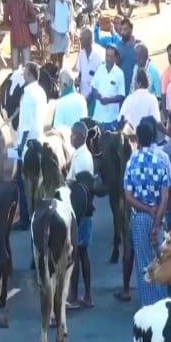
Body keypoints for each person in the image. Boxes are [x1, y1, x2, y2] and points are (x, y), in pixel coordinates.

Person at [123, 120, 171, 306]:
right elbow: (166, 196)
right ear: (153, 138)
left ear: (138, 140)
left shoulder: (132, 161)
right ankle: (163, 303)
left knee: (144, 262)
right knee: (162, 259)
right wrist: (157, 219)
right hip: (160, 215)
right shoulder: (160, 160)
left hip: (141, 217)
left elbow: (128, 196)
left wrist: (147, 209)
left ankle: (149, 306)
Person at [66, 123, 95, 310]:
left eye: (72, 135)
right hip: (81, 211)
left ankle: (76, 296)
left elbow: (81, 188)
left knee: (77, 253)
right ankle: (85, 296)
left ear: (79, 136)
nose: (70, 138)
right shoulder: (79, 154)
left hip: (81, 212)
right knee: (81, 253)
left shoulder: (83, 158)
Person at [17, 60, 48, 160]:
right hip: (39, 141)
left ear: (30, 75)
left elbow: (27, 124)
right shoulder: (42, 91)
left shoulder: (28, 94)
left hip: (27, 146)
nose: (23, 76)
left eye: (25, 73)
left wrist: (21, 147)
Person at [91, 44, 126, 131]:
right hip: (98, 118)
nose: (108, 59)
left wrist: (108, 100)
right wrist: (99, 97)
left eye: (111, 56)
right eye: (107, 55)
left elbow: (121, 96)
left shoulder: (119, 73)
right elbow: (93, 87)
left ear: (115, 58)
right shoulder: (100, 69)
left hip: (111, 119)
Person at [4, 0, 36, 69]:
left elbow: (34, 18)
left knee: (27, 67)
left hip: (26, 39)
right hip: (15, 40)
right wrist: (13, 26)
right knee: (15, 67)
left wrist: (26, 19)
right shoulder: (10, 2)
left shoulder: (28, 1)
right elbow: (5, 20)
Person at [75, 27, 105, 113]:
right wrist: (77, 80)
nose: (80, 41)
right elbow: (80, 72)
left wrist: (92, 95)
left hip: (96, 97)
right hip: (83, 94)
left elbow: (102, 79)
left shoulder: (100, 54)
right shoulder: (81, 54)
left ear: (89, 40)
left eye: (82, 39)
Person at [47, 0, 75, 70]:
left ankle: (59, 74)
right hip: (55, 33)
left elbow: (71, 19)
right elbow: (48, 20)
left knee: (61, 57)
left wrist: (71, 32)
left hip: (64, 34)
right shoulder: (53, 2)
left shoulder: (69, 3)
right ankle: (52, 76)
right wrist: (50, 35)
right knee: (54, 59)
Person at [118, 18, 138, 95]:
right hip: (122, 87)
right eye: (121, 29)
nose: (123, 32)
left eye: (125, 29)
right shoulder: (118, 46)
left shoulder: (138, 46)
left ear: (131, 29)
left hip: (135, 86)